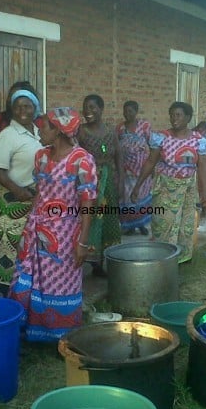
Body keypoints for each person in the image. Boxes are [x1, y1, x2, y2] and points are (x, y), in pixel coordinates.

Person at [9, 107, 97, 342]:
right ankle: (35, 331)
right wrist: (28, 227)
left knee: (61, 285)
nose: (39, 130)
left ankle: (62, 337)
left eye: (44, 126)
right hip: (38, 230)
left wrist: (83, 242)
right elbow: (39, 193)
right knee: (30, 279)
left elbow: (88, 201)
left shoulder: (82, 160)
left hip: (65, 233)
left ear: (58, 130)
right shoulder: (41, 157)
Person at [131, 101, 206, 264]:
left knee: (185, 225)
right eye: (172, 115)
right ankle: (163, 259)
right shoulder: (161, 137)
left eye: (178, 115)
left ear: (188, 117)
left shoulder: (198, 140)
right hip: (165, 189)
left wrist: (204, 192)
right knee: (163, 224)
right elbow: (151, 161)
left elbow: (202, 167)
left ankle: (182, 258)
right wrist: (137, 186)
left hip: (187, 190)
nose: (174, 119)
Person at [0, 89, 42, 292]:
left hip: (34, 199)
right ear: (12, 110)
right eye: (17, 106)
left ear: (35, 108)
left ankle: (27, 296)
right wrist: (17, 190)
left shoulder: (38, 132)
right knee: (9, 249)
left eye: (27, 106)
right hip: (12, 200)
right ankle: (7, 296)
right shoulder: (7, 135)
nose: (22, 110)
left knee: (31, 250)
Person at [78, 94, 122, 276]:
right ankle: (82, 260)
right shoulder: (80, 131)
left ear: (101, 109)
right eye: (85, 107)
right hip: (88, 183)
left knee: (108, 221)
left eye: (92, 107)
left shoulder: (111, 132)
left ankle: (101, 262)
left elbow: (118, 155)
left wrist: (121, 181)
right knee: (87, 220)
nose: (88, 112)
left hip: (109, 182)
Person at [115, 100, 152, 235]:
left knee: (141, 197)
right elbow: (115, 146)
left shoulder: (144, 126)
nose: (127, 114)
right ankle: (130, 226)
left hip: (142, 171)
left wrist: (152, 166)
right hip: (125, 172)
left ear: (136, 112)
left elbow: (152, 145)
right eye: (125, 111)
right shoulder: (119, 128)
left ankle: (141, 225)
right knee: (127, 199)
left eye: (130, 111)